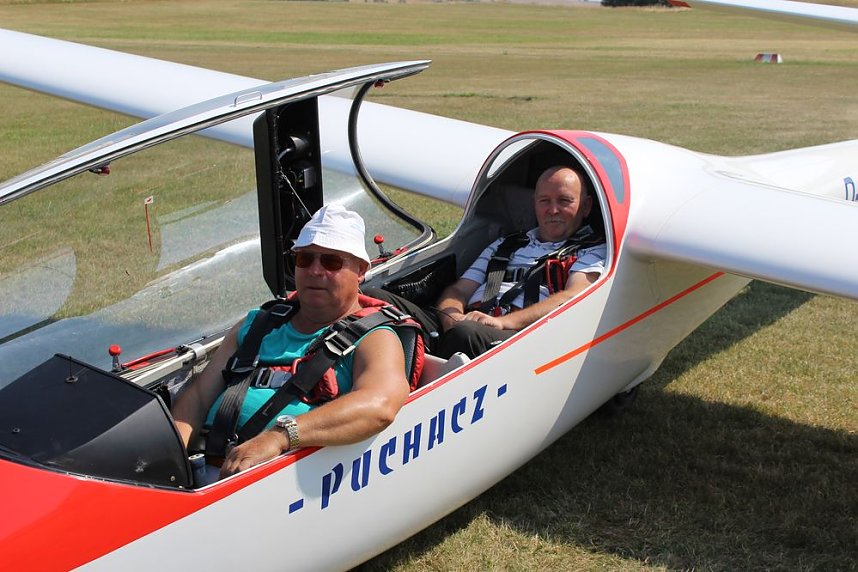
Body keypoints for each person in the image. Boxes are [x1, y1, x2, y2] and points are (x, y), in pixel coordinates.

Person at [172, 204, 412, 480]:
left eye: (331, 261)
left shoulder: (376, 337)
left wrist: (280, 437)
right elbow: (200, 397)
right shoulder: (257, 323)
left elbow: (379, 405)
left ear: (359, 270)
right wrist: (168, 455)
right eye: (305, 259)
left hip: (276, 477)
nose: (315, 270)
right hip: (201, 468)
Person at [365, 165, 606, 358]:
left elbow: (572, 297)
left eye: (564, 201)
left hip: (519, 332)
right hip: (469, 323)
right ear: (535, 204)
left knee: (465, 333)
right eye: (545, 201)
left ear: (585, 207)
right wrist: (452, 316)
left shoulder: (591, 251)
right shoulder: (505, 244)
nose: (553, 209)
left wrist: (503, 323)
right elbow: (459, 289)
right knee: (376, 298)